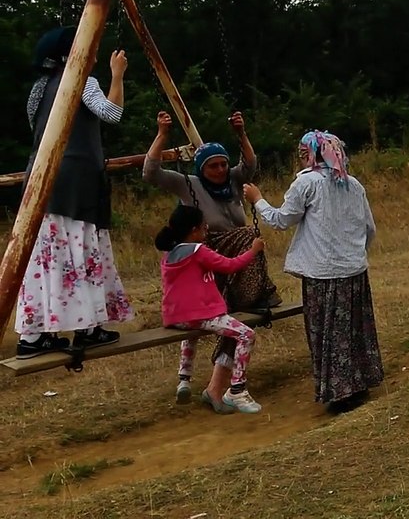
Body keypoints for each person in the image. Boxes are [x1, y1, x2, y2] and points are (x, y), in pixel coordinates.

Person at [143, 110, 280, 402]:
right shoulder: (189, 184)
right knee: (248, 238)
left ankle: (250, 295)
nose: (219, 170)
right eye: (212, 166)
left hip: (235, 254)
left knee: (245, 237)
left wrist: (241, 134)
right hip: (210, 251)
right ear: (201, 168)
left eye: (223, 164)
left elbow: (250, 164)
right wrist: (162, 135)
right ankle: (250, 297)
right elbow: (151, 173)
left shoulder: (233, 180)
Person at [243, 131, 382, 414]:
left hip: (323, 274)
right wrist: (354, 254)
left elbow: (281, 220)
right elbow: (369, 228)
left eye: (304, 151)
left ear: (316, 153)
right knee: (353, 329)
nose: (300, 156)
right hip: (354, 271)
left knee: (329, 333)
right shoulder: (353, 184)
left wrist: (257, 199)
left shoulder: (307, 183)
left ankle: (340, 394)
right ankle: (360, 382)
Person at [14, 27, 132, 358]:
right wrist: (117, 75)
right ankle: (88, 328)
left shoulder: (39, 89)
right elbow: (112, 113)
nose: (93, 54)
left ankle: (33, 336)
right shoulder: (82, 81)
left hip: (41, 178)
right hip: (76, 181)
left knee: (47, 257)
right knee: (82, 250)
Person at [155, 204, 266, 414]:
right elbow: (230, 266)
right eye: (204, 226)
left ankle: (184, 379)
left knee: (191, 333)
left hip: (175, 317)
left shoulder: (168, 254)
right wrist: (253, 250)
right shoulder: (198, 251)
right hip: (201, 315)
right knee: (247, 335)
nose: (206, 230)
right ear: (194, 230)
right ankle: (237, 389)